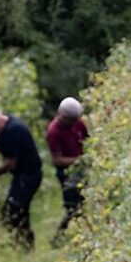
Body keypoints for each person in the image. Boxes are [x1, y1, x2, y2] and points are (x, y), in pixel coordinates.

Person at [0, 108, 43, 249]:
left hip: (28, 177)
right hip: (22, 176)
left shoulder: (13, 130)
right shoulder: (7, 122)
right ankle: (26, 246)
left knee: (11, 213)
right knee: (19, 211)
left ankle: (24, 245)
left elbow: (10, 163)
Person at [45, 97, 90, 245]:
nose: (73, 123)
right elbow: (57, 160)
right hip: (66, 172)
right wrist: (79, 160)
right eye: (71, 120)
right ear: (62, 116)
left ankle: (86, 235)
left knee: (85, 203)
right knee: (72, 207)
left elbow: (88, 141)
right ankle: (58, 239)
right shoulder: (53, 132)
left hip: (82, 168)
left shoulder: (78, 123)